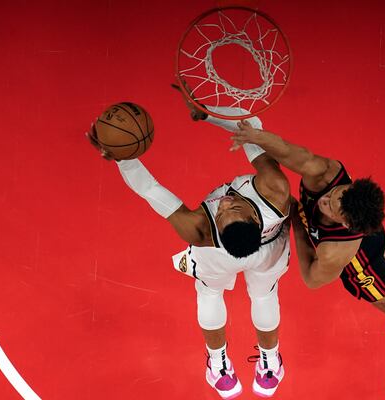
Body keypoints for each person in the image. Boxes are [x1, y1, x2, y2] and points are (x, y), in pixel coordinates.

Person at [87, 103, 290, 399]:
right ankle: (269, 365)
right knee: (265, 294)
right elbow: (251, 126)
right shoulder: (274, 189)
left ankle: (219, 366)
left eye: (226, 208)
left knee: (210, 293)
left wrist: (122, 159)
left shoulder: (199, 228)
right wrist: (208, 113)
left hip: (218, 254)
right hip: (270, 248)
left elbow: (150, 189)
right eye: (227, 209)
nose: (222, 204)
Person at [229, 121, 385, 392]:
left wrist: (298, 225)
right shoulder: (326, 174)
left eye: (332, 209)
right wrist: (256, 136)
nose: (325, 201)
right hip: (372, 239)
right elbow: (286, 151)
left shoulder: (336, 250)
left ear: (345, 224)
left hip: (361, 260)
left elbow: (312, 278)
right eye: (335, 196)